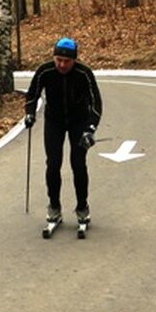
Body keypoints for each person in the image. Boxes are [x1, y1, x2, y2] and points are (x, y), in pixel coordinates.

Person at [23, 37, 103, 229]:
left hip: (79, 121)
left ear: (74, 60)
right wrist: (29, 114)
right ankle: (54, 207)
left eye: (67, 61)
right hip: (54, 121)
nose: (62, 64)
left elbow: (96, 103)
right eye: (58, 60)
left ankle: (82, 207)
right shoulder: (45, 71)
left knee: (78, 164)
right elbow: (32, 94)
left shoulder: (84, 73)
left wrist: (90, 129)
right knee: (53, 164)